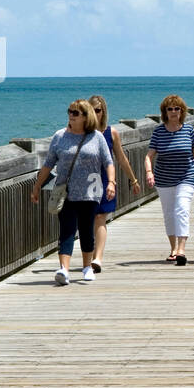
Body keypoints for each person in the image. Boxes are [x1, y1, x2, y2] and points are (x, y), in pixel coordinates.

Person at [30, 99, 115, 285]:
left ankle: (87, 267)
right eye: (69, 111)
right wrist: (37, 186)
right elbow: (48, 164)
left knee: (86, 231)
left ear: (86, 116)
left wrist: (111, 183)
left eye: (75, 113)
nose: (71, 115)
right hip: (65, 192)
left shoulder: (97, 137)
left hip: (90, 192)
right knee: (67, 231)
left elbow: (108, 162)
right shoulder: (60, 136)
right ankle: (64, 270)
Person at [144, 95, 194, 265]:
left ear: (182, 111)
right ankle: (173, 248)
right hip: (164, 178)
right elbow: (149, 155)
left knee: (181, 209)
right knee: (169, 214)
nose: (173, 112)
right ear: (165, 112)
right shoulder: (159, 131)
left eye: (177, 109)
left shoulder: (188, 130)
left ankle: (181, 249)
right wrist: (149, 172)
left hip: (186, 176)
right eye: (170, 109)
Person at [88, 94, 140, 273]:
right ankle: (89, 255)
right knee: (87, 220)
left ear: (103, 112)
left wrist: (133, 179)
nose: (95, 114)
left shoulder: (111, 133)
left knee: (100, 217)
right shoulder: (81, 132)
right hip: (84, 181)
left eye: (98, 110)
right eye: (92, 110)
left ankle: (98, 258)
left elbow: (121, 158)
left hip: (105, 180)